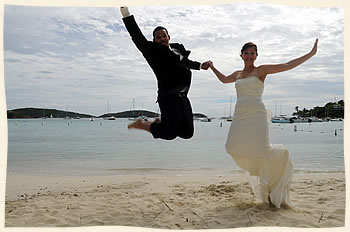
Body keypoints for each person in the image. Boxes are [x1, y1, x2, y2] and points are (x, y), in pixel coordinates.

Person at [208, 39, 318, 208]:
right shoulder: (237, 74)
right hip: (240, 115)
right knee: (232, 146)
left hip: (257, 114)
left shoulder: (261, 70)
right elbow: (223, 80)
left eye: (252, 53)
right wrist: (212, 67)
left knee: (262, 150)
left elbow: (288, 65)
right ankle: (260, 173)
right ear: (241, 55)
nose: (249, 56)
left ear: (256, 55)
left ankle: (269, 184)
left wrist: (311, 54)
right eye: (246, 53)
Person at [120, 6, 210, 140]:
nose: (162, 39)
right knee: (169, 134)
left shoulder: (177, 49)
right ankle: (143, 124)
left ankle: (160, 122)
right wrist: (126, 15)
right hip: (168, 97)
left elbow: (186, 62)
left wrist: (200, 65)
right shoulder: (152, 52)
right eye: (158, 37)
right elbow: (137, 36)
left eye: (164, 36)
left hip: (183, 96)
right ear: (154, 40)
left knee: (187, 133)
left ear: (169, 37)